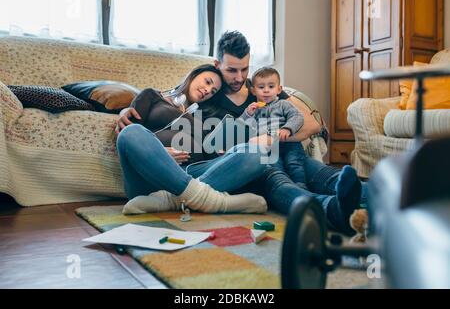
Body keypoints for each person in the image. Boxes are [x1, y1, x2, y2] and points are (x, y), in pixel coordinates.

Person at [116, 31, 366, 235]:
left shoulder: (261, 89)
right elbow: (152, 113)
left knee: (318, 171)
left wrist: (269, 137)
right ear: (217, 65)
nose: (239, 77)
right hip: (234, 165)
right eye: (231, 71)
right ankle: (209, 200)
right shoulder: (203, 101)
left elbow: (312, 124)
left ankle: (385, 198)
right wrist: (129, 113)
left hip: (275, 150)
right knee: (269, 168)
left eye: (244, 69)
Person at [116, 64, 268, 215]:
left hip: (193, 173)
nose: (208, 90)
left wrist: (223, 153)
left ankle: (172, 200)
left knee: (257, 154)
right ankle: (214, 201)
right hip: (150, 177)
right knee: (130, 132)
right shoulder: (152, 96)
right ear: (193, 75)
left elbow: (211, 157)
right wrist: (159, 153)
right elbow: (129, 136)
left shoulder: (205, 114)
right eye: (207, 82)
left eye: (213, 91)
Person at [240, 66, 307, 187]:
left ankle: (301, 185)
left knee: (294, 164)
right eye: (261, 87)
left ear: (279, 89)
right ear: (253, 90)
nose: (266, 90)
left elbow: (297, 116)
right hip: (268, 149)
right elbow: (241, 127)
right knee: (275, 167)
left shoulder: (283, 104)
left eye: (271, 86)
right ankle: (285, 187)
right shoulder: (253, 109)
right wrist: (247, 114)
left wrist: (287, 128)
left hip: (289, 144)